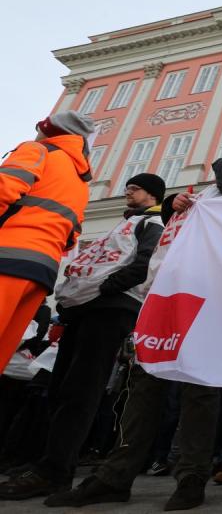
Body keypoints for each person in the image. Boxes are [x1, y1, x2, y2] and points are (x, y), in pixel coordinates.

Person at [46, 139, 222, 511]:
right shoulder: (217, 189)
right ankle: (114, 476)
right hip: (167, 291)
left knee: (198, 389)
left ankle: (190, 478)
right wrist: (174, 205)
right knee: (144, 385)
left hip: (208, 293)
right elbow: (182, 223)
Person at [0, 173, 165, 500]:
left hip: (112, 307)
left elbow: (146, 265)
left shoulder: (153, 224)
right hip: (87, 308)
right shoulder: (125, 224)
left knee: (81, 390)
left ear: (151, 194)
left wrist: (105, 287)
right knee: (61, 387)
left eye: (134, 189)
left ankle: (57, 471)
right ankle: (47, 462)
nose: (127, 192)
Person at [0, 111, 94, 369]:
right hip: (41, 271)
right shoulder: (79, 181)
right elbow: (72, 237)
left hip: (7, 255)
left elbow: (4, 188)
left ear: (48, 129)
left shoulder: (38, 151)